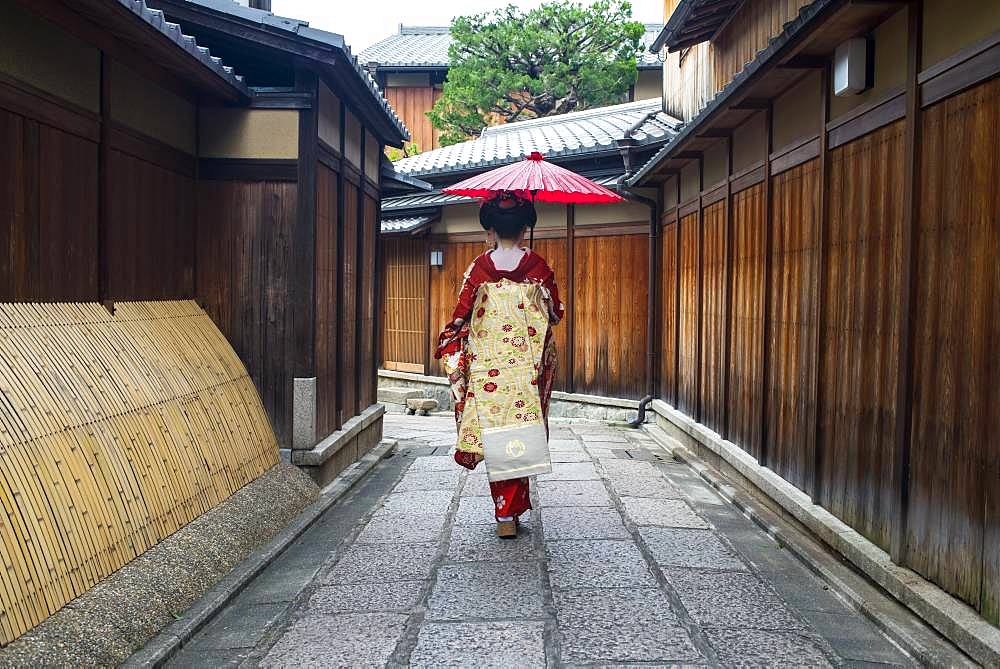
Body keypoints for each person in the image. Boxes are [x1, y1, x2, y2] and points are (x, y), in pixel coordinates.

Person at [435, 191, 564, 538]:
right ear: (525, 228)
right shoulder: (538, 267)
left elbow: (460, 318)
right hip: (525, 366)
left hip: (489, 363)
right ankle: (510, 510)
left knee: (495, 429)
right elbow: (555, 314)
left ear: (489, 229)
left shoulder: (479, 268)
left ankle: (504, 513)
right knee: (519, 428)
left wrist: (449, 342)